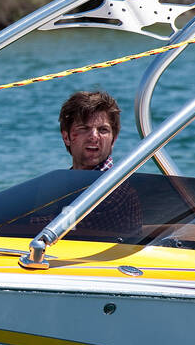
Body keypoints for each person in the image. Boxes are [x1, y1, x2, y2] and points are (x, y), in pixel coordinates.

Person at [58, 90, 141, 238]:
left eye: (103, 130)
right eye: (84, 129)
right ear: (66, 137)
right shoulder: (62, 186)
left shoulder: (116, 189)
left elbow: (75, 229)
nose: (94, 137)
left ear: (113, 139)